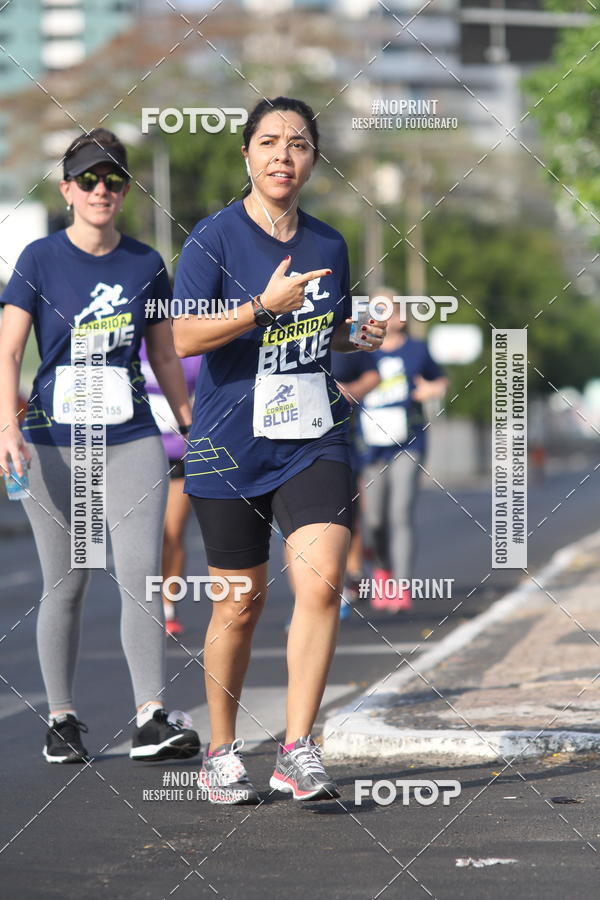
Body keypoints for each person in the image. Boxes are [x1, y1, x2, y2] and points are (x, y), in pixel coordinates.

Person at [173, 97, 385, 804]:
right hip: (230, 445)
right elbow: (184, 339)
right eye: (268, 142)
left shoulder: (329, 242)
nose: (282, 156)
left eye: (297, 144)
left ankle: (298, 747)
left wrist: (359, 335)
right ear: (246, 155)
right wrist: (263, 306)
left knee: (323, 580)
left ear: (313, 160)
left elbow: (326, 328)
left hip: (310, 436)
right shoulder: (212, 239)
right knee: (238, 606)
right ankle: (221, 750)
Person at [0, 128, 200, 763]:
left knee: (140, 573)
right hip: (53, 441)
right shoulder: (38, 259)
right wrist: (6, 426)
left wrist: (192, 424)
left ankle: (150, 717)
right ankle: (61, 719)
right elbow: (7, 351)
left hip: (132, 435)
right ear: (67, 190)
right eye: (88, 179)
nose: (101, 190)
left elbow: (164, 352)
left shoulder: (145, 264)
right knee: (69, 580)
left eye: (113, 180)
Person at [360, 292, 448, 613]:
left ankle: (401, 585)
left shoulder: (417, 350)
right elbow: (339, 378)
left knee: (400, 513)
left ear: (401, 317)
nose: (381, 316)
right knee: (374, 521)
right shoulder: (360, 348)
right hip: (369, 446)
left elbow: (439, 380)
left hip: (408, 442)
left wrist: (431, 390)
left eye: (387, 310)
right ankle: (382, 572)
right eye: (374, 310)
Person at [139, 341, 202, 635]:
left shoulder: (189, 346)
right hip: (137, 449)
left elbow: (203, 393)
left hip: (178, 451)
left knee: (173, 533)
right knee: (145, 535)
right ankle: (142, 604)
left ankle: (167, 604)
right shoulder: (129, 341)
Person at [330, 349, 380, 617]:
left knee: (349, 514)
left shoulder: (345, 323)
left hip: (343, 439)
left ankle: (354, 572)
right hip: (291, 442)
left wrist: (350, 391)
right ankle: (311, 594)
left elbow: (373, 375)